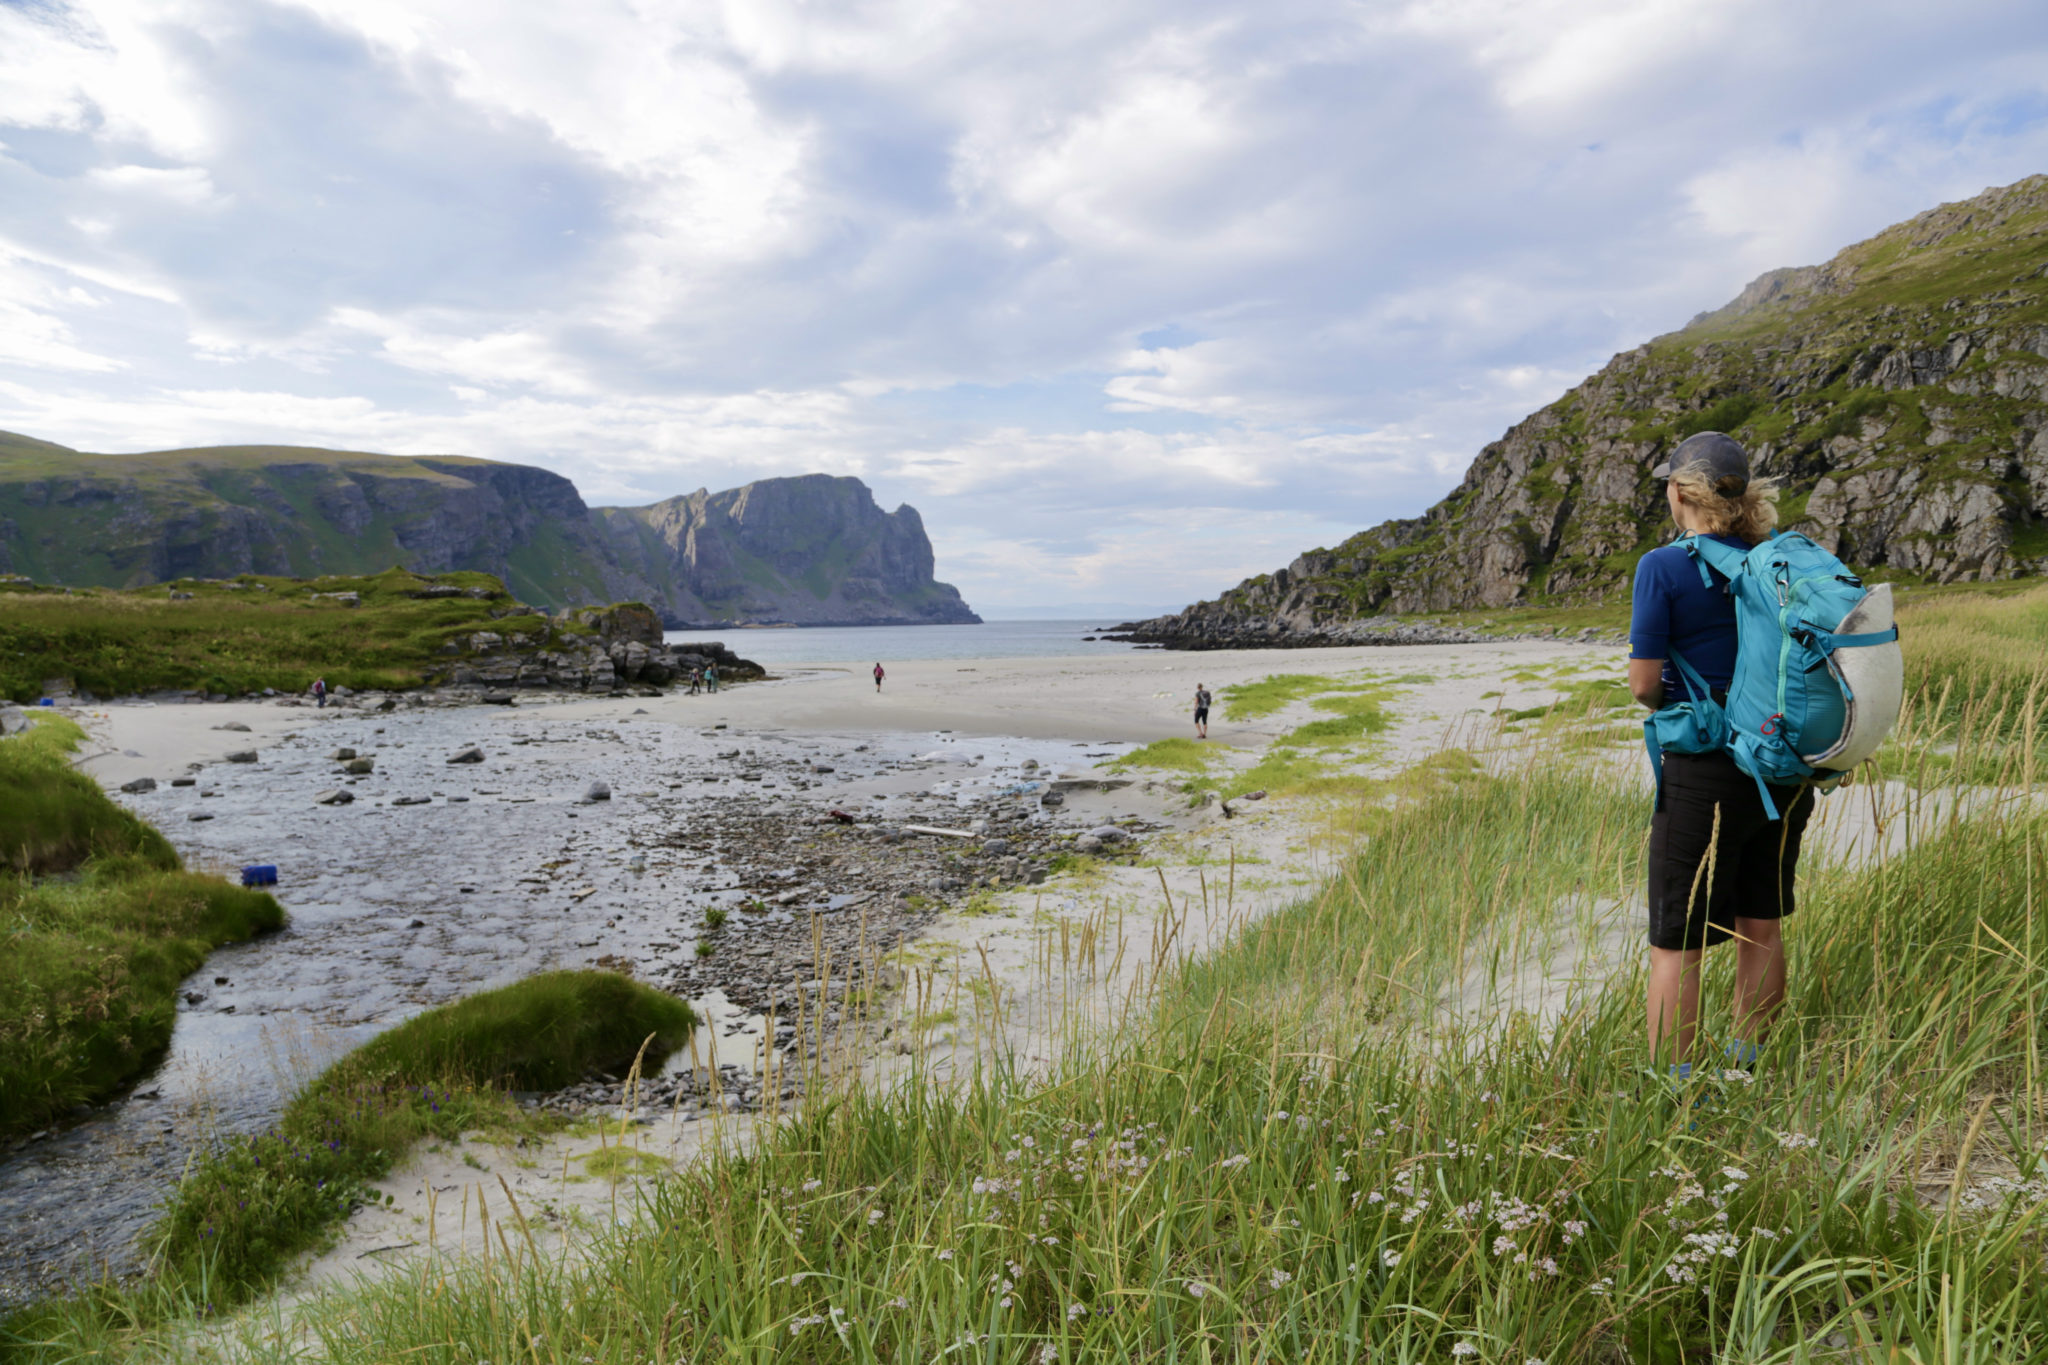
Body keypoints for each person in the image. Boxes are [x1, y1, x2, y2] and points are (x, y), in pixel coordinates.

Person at [1629, 431, 1815, 1077]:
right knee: (1760, 925)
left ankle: (1674, 1092)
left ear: (1679, 492)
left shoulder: (1663, 566)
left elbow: (1644, 684)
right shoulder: (1774, 562)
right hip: (1783, 770)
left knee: (1676, 946)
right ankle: (1745, 1066)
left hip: (1704, 773)